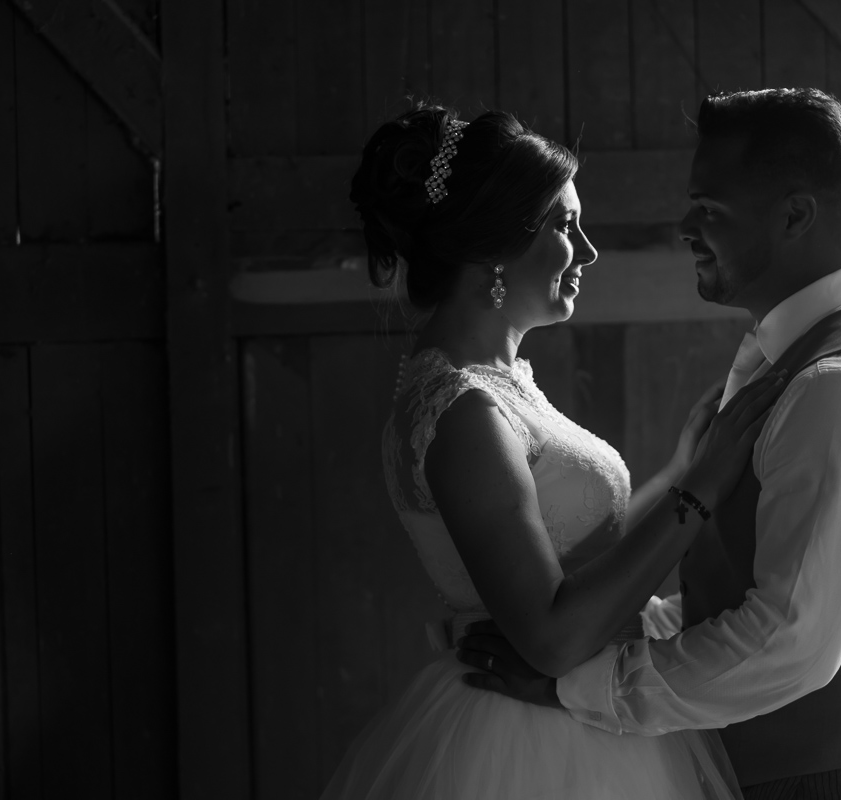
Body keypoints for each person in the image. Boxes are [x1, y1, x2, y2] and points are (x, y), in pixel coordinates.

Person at [459, 88, 841, 799]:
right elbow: (734, 595)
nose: (686, 226)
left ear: (795, 215)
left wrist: (579, 685)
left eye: (710, 209)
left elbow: (789, 641)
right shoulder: (786, 361)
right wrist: (604, 632)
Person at [318, 103, 785, 800]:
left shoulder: (494, 390)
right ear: (495, 246)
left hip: (575, 712)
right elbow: (553, 637)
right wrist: (699, 492)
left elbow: (579, 558)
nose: (589, 251)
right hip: (531, 737)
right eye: (567, 225)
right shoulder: (464, 413)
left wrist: (685, 466)